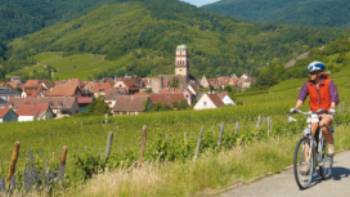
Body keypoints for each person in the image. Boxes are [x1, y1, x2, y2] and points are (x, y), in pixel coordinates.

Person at [291, 61, 339, 157]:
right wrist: (295, 108)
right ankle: (307, 164)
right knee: (308, 136)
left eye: (312, 73)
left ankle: (330, 145)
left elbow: (334, 97)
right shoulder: (308, 85)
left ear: (319, 73)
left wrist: (332, 107)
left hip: (327, 112)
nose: (310, 75)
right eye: (310, 73)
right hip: (314, 113)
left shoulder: (328, 83)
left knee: (323, 125)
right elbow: (301, 98)